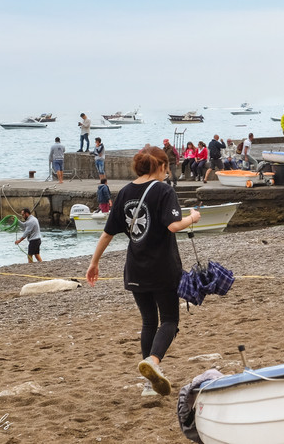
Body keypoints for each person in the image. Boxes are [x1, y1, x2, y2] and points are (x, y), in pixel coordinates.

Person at [86, 146, 200, 398]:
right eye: (167, 167)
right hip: (162, 268)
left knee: (149, 321)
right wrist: (193, 217)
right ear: (160, 166)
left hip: (136, 268)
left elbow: (108, 232)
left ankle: (149, 384)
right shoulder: (163, 190)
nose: (167, 173)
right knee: (169, 320)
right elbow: (173, 225)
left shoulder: (126, 191)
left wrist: (94, 263)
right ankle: (155, 362)